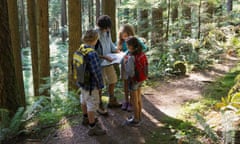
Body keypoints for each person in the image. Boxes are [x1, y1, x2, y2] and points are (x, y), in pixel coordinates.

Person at [75, 29, 106, 136]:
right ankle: (92, 127)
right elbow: (96, 71)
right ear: (95, 39)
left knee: (83, 100)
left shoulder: (81, 49)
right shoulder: (92, 54)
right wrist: (100, 85)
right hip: (91, 84)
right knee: (92, 105)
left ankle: (85, 118)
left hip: (82, 83)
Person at [95, 15, 121, 115]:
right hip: (99, 63)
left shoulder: (108, 32)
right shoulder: (95, 34)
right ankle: (99, 104)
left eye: (108, 27)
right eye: (106, 28)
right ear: (101, 27)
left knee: (113, 79)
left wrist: (116, 50)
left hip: (108, 61)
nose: (108, 29)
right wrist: (104, 57)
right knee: (100, 85)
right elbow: (92, 52)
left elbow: (110, 44)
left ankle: (112, 100)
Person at [117, 24, 147, 112]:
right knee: (125, 83)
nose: (124, 38)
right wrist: (117, 51)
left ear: (130, 34)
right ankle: (126, 101)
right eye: (122, 36)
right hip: (123, 65)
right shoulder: (120, 41)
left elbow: (144, 48)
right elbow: (117, 49)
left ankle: (131, 102)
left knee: (132, 83)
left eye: (126, 35)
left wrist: (129, 52)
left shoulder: (135, 40)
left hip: (133, 66)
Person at [124, 36, 148, 126]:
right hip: (141, 79)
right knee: (139, 99)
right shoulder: (142, 54)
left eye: (128, 46)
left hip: (134, 80)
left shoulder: (131, 57)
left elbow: (130, 71)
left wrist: (125, 63)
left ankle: (136, 119)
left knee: (134, 100)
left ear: (131, 46)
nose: (127, 47)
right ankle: (139, 116)